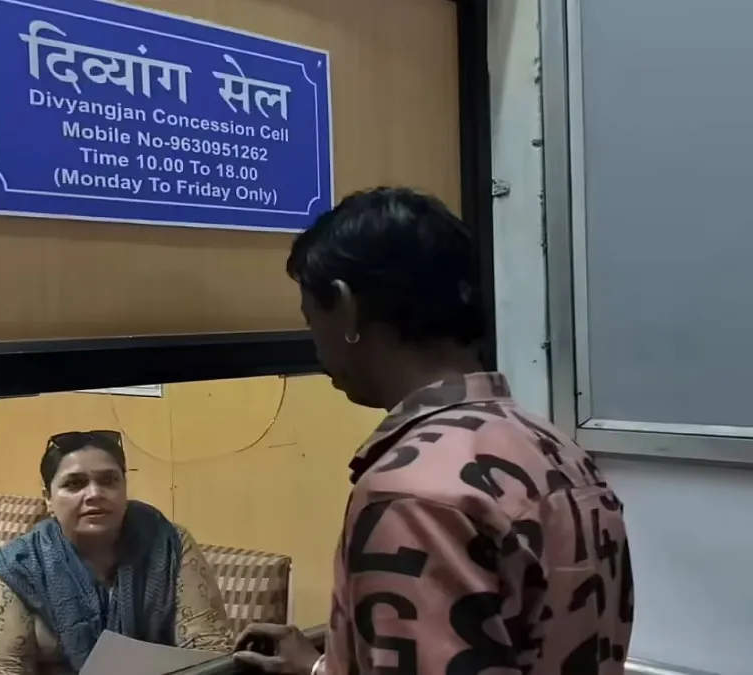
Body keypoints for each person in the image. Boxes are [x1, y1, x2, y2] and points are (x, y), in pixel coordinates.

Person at [233, 188, 633, 675]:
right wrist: (325, 667)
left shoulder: (410, 493)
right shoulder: (556, 449)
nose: (315, 346)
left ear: (345, 306)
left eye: (311, 320)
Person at [0, 430, 232, 674]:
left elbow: (207, 649)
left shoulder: (168, 544)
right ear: (48, 498)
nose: (94, 494)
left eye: (109, 480)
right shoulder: (20, 565)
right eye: (74, 484)